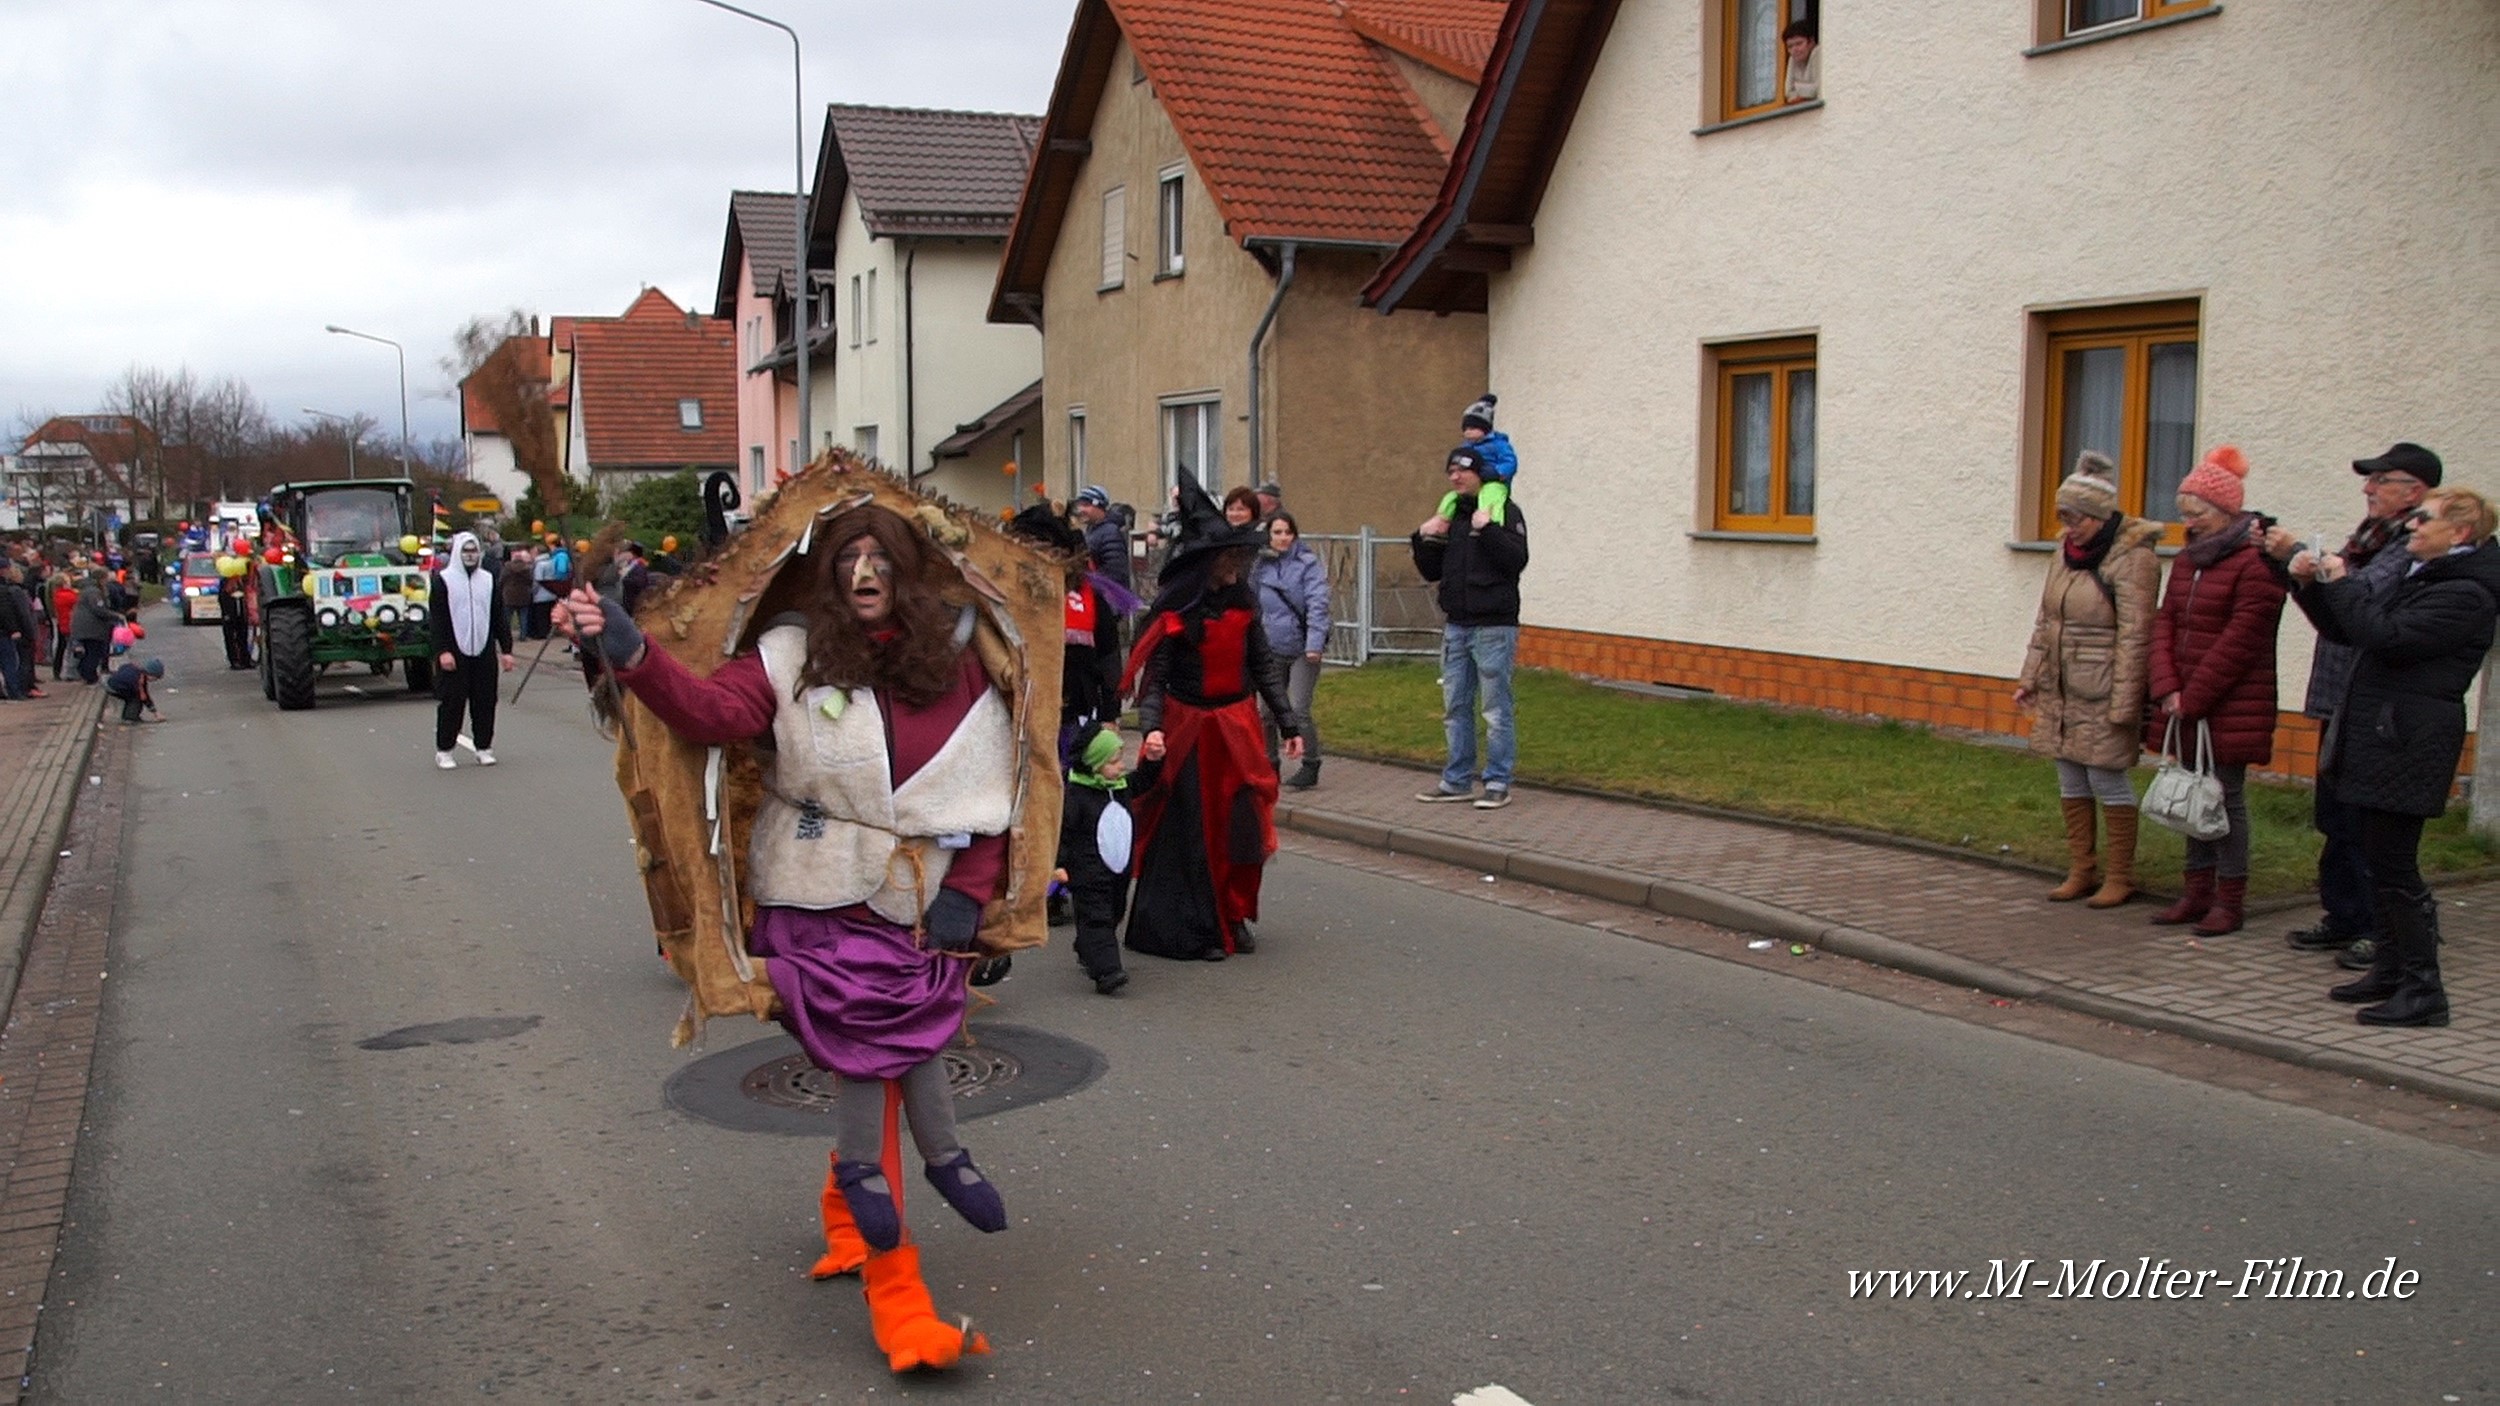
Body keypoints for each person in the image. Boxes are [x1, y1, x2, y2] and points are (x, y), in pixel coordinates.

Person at [557, 503, 1008, 1373]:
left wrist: (972, 896)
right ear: (828, 575)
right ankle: (897, 1284)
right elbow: (707, 712)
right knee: (868, 1053)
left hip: (921, 906)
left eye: (882, 558)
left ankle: (908, 1181)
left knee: (902, 1044)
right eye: (849, 558)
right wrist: (630, 651)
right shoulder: (792, 655)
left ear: (907, 574)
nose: (865, 572)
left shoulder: (956, 666)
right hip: (815, 895)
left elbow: (991, 789)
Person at [2283, 484, 2495, 1027]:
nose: (2413, 527)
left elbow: (2384, 634)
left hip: (2408, 741)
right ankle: (2391, 969)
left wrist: (2344, 579)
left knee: (2397, 869)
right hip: (2383, 735)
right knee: (2378, 862)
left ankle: (2425, 990)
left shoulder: (2466, 593)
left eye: (2424, 519)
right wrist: (2311, 585)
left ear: (2461, 533)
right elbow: (2348, 628)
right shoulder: (2427, 576)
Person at [2259, 442, 2438, 971]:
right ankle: (2343, 915)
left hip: (2372, 703)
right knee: (2334, 814)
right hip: (2338, 693)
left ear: (2415, 491)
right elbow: (2332, 606)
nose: (2368, 489)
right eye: (2370, 480)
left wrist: (2312, 564)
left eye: (2381, 481)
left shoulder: (2409, 546)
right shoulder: (2367, 540)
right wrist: (2292, 567)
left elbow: (2361, 599)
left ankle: (2375, 928)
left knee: (2363, 821)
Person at [1121, 474, 1304, 961]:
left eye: (1242, 560)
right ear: (1209, 564)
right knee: (1192, 829)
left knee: (1242, 826)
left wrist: (1288, 722)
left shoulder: (1245, 603)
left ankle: (1235, 913)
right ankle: (1198, 926)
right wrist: (1153, 727)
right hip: (1189, 731)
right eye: (1232, 560)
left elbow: (1262, 664)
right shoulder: (1177, 613)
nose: (1240, 567)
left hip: (1237, 728)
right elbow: (1155, 679)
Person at [2145, 446, 2287, 937]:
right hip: (2184, 702)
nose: (2188, 522)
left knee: (2224, 799)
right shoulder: (2188, 560)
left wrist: (2194, 696)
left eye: (2196, 513)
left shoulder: (2257, 565)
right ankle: (2195, 892)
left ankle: (2230, 899)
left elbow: (2242, 640)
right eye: (2184, 512)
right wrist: (2166, 686)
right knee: (2189, 795)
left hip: (2228, 704)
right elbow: (2166, 621)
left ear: (2226, 511)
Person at [2015, 455, 2160, 906]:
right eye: (2062, 517)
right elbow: (2046, 621)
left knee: (2107, 779)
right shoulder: (2063, 553)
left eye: (2074, 518)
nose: (2067, 526)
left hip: (2102, 685)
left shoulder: (2134, 559)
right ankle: (2082, 869)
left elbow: (2137, 637)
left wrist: (2125, 705)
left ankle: (2120, 875)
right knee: (2070, 779)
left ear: (2098, 515)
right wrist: (2031, 678)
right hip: (2062, 685)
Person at [1413, 445, 1530, 809]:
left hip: (1494, 626)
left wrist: (1489, 529)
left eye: (1462, 470)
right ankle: (1457, 780)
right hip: (1458, 626)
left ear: (1480, 474)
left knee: (1495, 710)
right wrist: (1421, 537)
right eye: (1450, 472)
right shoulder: (1454, 518)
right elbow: (1432, 571)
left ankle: (1497, 782)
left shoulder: (1502, 511)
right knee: (1455, 707)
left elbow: (1516, 561)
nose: (1455, 477)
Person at [1054, 721, 1161, 996]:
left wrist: (1152, 761)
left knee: (1113, 911)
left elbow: (1143, 782)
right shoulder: (1077, 795)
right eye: (1113, 762)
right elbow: (1063, 832)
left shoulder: (1120, 785)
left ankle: (1088, 947)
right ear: (1095, 763)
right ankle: (1107, 971)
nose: (1120, 767)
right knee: (1097, 918)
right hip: (1088, 870)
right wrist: (1059, 864)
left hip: (1117, 869)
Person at [1254, 511, 1331, 790]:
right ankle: (1269, 763)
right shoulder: (1259, 566)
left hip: (1302, 649)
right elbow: (1251, 603)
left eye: (1288, 532)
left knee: (1298, 709)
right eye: (1277, 533)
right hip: (1270, 647)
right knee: (1267, 711)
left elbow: (1318, 605)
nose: (1283, 538)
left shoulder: (1307, 565)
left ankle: (1310, 765)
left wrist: (1314, 644)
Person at [430, 532, 516, 769]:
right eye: (466, 551)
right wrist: (442, 651)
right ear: (457, 552)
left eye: (474, 551)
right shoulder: (443, 580)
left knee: (485, 700)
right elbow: (438, 620)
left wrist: (506, 649)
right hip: (454, 651)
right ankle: (445, 749)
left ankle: (483, 747)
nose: (470, 556)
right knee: (452, 701)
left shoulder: (488, 580)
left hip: (483, 649)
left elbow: (499, 616)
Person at [1434, 394, 1518, 529]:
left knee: (1490, 496)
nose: (1468, 432)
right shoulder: (1466, 447)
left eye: (1472, 428)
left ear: (1484, 428)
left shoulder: (1499, 445)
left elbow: (1510, 462)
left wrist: (1497, 472)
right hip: (1474, 485)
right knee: (1451, 497)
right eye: (1465, 429)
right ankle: (1441, 522)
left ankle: (1492, 523)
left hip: (1494, 482)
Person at [69, 570, 118, 685]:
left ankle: (88, 674)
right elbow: (98, 609)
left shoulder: (88, 590)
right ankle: (90, 676)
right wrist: (114, 616)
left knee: (90, 651)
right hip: (91, 628)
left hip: (85, 627)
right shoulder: (94, 592)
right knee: (93, 652)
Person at [104, 656, 166, 723]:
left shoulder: (135, 668)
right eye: (156, 678)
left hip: (110, 681)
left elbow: (122, 667)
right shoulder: (139, 681)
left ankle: (128, 714)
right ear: (151, 674)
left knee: (134, 694)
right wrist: (155, 712)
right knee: (137, 699)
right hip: (115, 688)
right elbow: (144, 697)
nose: (155, 680)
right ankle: (130, 717)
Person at [1782, 20, 1820, 101]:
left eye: (1799, 44)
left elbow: (1819, 89)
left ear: (1811, 42)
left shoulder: (1818, 52)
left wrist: (1797, 86)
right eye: (1790, 46)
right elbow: (1788, 93)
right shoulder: (1792, 59)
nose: (1794, 50)